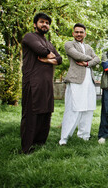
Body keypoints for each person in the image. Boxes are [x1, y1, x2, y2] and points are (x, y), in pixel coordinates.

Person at [21, 12, 62, 154]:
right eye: (42, 22)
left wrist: (47, 59)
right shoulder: (29, 37)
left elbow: (60, 59)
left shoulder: (48, 42)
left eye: (47, 23)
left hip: (47, 84)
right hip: (33, 81)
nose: (45, 25)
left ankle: (40, 143)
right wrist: (50, 56)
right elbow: (41, 50)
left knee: (46, 113)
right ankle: (27, 147)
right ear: (35, 24)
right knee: (31, 114)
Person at [59, 23, 100, 145]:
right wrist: (91, 59)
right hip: (76, 80)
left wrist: (88, 63)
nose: (79, 34)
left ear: (85, 34)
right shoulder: (69, 44)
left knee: (88, 108)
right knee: (73, 108)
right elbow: (76, 55)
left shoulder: (88, 46)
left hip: (89, 81)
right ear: (73, 33)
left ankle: (84, 136)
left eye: (81, 32)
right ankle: (64, 138)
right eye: (76, 32)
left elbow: (98, 59)